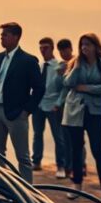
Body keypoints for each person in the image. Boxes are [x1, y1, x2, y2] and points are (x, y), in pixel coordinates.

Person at [0, 22, 44, 183]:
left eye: (5, 34)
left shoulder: (28, 61)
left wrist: (26, 111)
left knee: (22, 156)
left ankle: (28, 194)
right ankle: (1, 190)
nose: (1, 37)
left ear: (16, 37)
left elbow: (39, 88)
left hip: (16, 114)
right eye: (1, 34)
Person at [62, 33, 101, 202]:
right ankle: (76, 184)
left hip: (94, 111)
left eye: (88, 44)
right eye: (82, 45)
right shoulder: (76, 63)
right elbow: (68, 83)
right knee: (76, 149)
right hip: (74, 111)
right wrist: (76, 66)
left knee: (98, 150)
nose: (84, 48)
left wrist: (86, 88)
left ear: (95, 46)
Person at [32, 37, 67, 176]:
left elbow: (63, 87)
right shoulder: (40, 66)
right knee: (37, 134)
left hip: (53, 106)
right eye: (41, 47)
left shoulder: (59, 66)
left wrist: (58, 104)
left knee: (58, 136)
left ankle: (61, 166)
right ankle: (36, 161)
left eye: (45, 47)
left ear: (52, 48)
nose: (43, 50)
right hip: (39, 105)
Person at [56, 38, 85, 177]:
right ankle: (69, 166)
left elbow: (70, 84)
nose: (62, 53)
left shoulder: (77, 63)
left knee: (77, 138)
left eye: (64, 50)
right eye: (60, 50)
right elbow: (61, 86)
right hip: (64, 105)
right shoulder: (61, 65)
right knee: (66, 138)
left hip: (77, 104)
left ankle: (80, 165)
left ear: (71, 49)